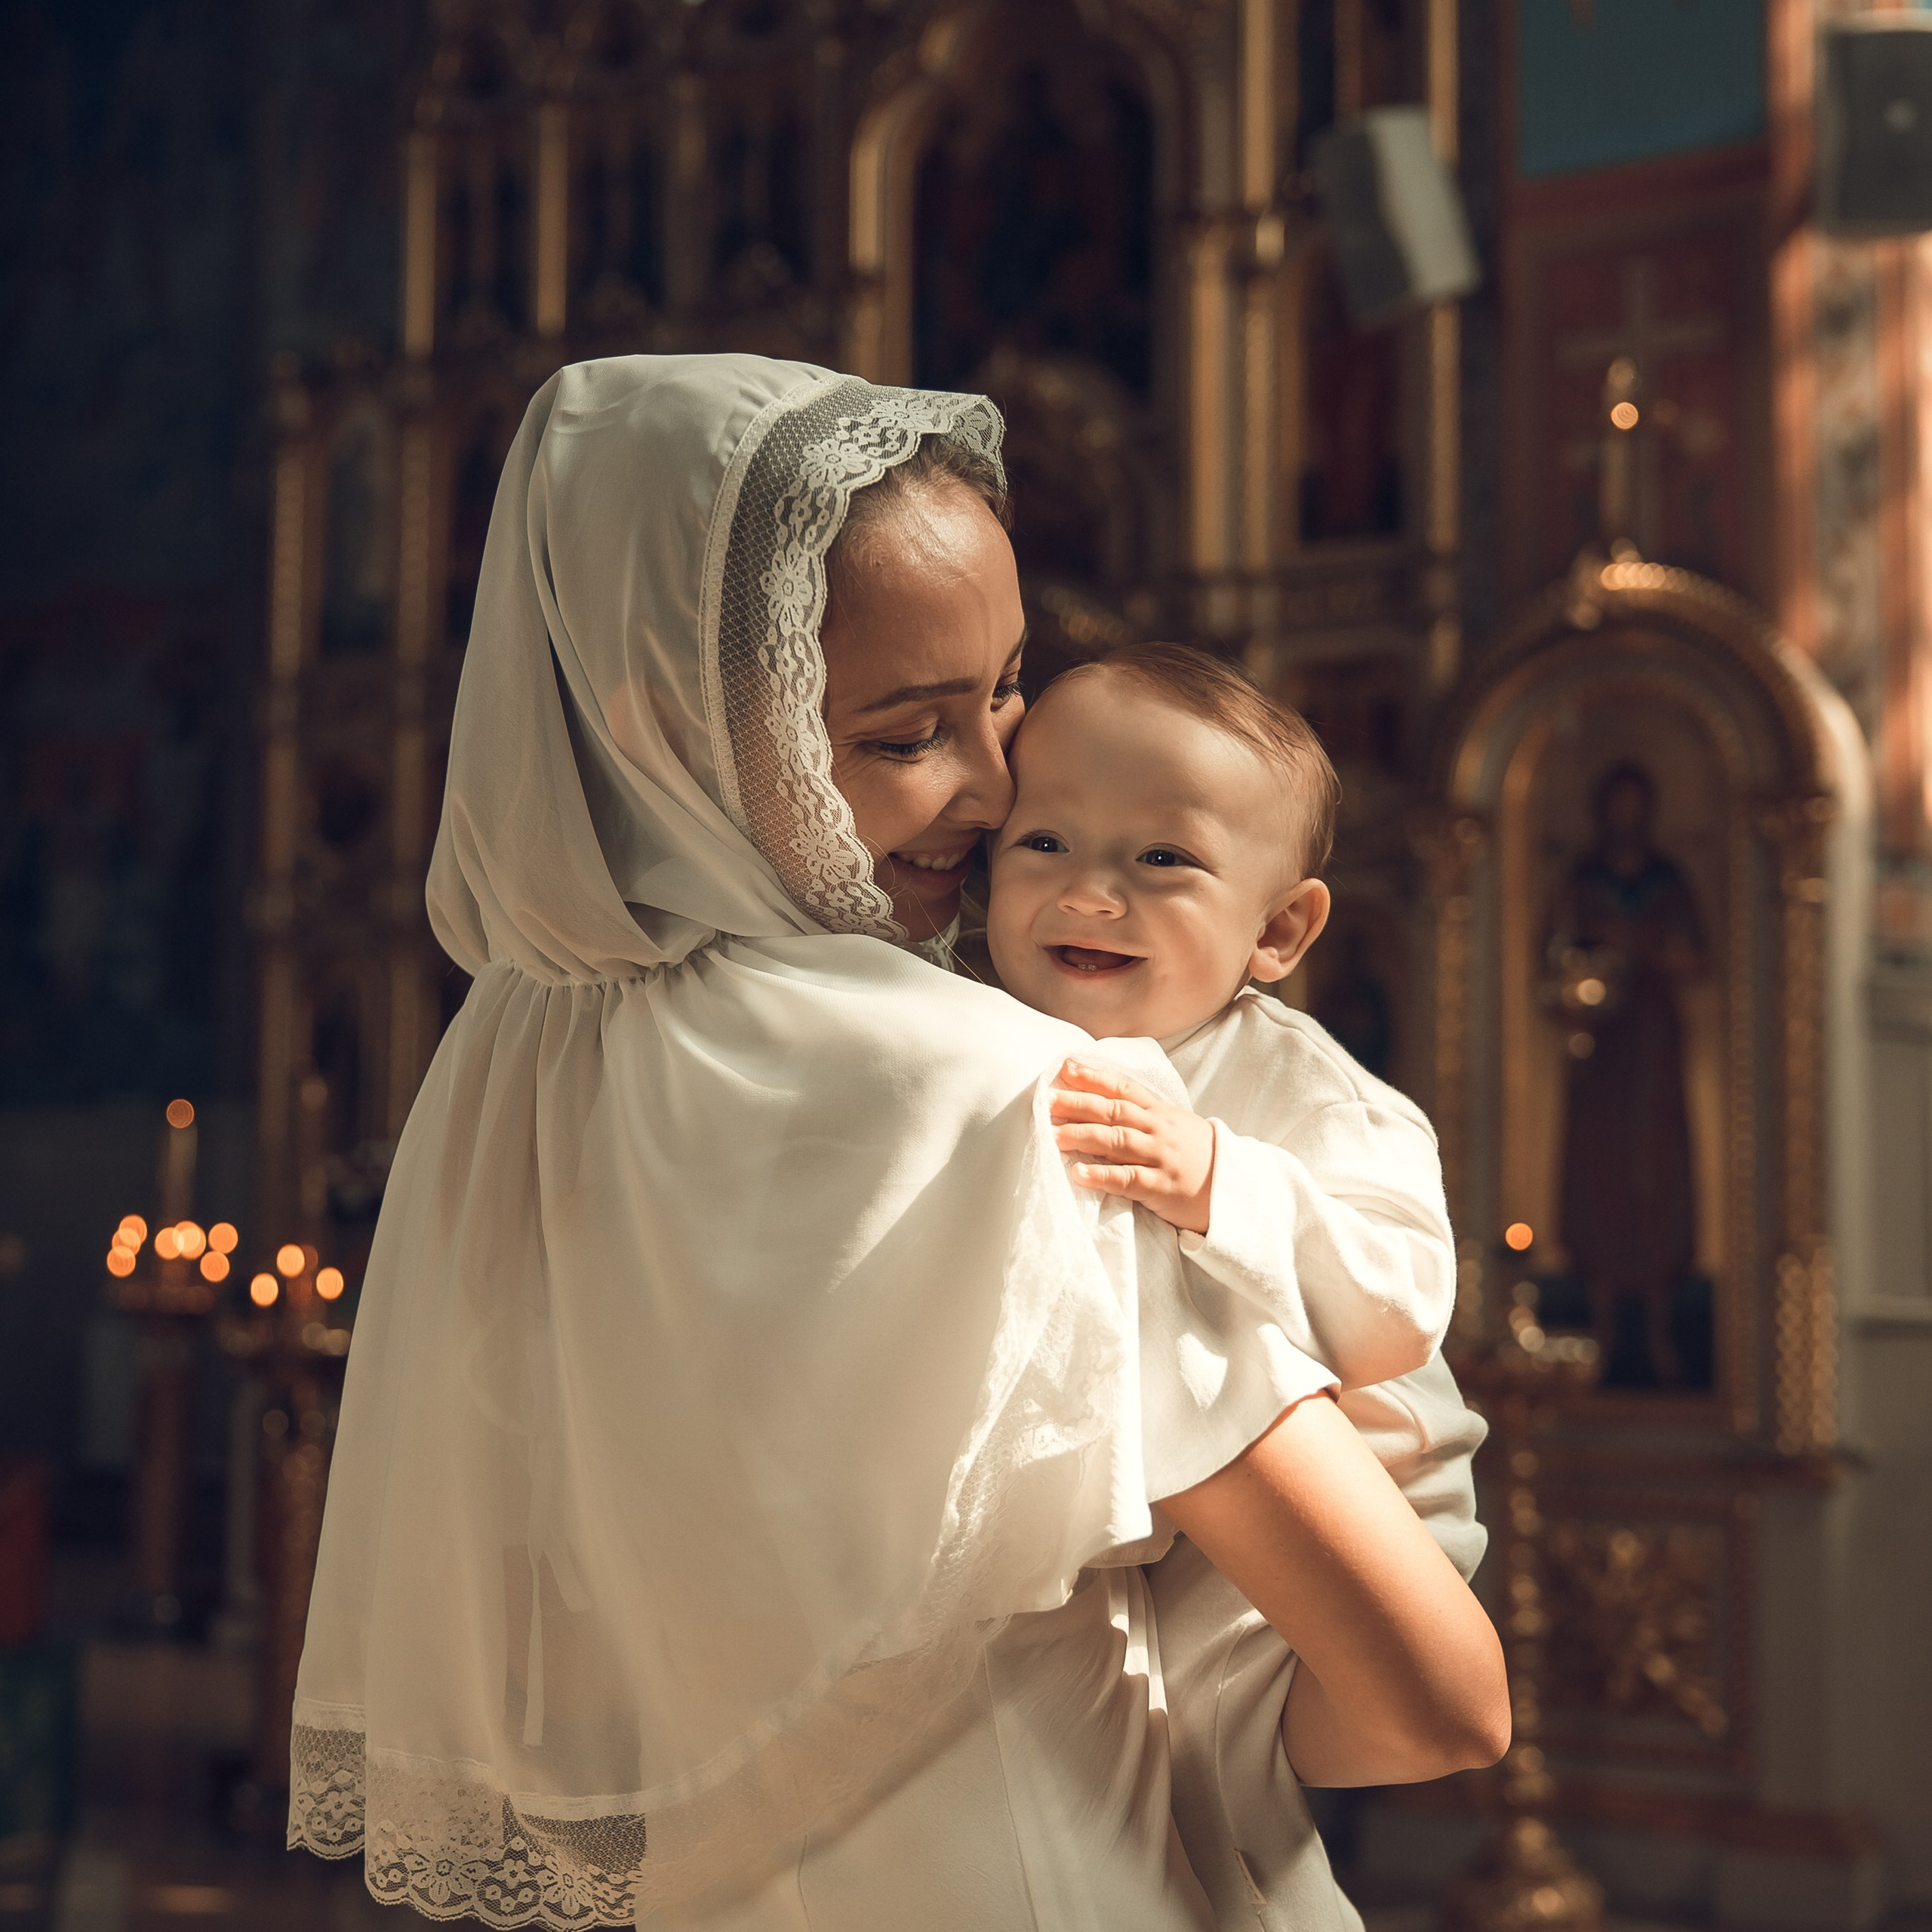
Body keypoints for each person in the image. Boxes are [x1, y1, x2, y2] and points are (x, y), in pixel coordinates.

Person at [288, 355, 1507, 1931]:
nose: (1000, 788)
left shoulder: (512, 1058)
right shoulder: (1012, 1100)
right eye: (905, 732)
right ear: (672, 725)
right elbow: (1437, 1698)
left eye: (1005, 688)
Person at [983, 645, 1490, 1921]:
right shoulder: (990, 1042)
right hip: (1175, 1539)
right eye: (1042, 841)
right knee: (1153, 1786)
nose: (1091, 891)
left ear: (1279, 930)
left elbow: (1394, 1313)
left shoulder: (1312, 1094)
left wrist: (1219, 1180)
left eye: (1162, 860)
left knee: (1218, 1795)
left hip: (1372, 1498)